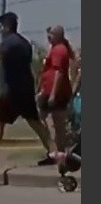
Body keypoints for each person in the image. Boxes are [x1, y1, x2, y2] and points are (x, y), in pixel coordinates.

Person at [0, 12, 57, 176]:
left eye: (1, 27)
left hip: (11, 92)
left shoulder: (10, 42)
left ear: (7, 27)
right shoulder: (24, 43)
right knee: (35, 122)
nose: (0, 30)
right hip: (25, 89)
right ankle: (53, 152)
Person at [35, 25, 75, 164]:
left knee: (54, 124)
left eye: (51, 34)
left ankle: (58, 154)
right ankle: (57, 153)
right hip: (49, 90)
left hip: (55, 92)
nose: (48, 37)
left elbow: (59, 72)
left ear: (58, 35)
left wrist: (52, 94)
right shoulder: (55, 49)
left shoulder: (59, 50)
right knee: (48, 122)